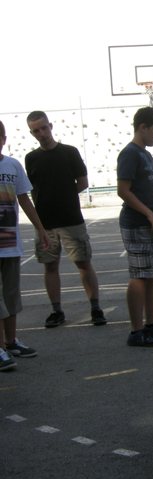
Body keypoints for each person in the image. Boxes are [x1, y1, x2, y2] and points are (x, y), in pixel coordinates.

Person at [24, 110, 107, 329]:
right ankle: (56, 311)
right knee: (50, 266)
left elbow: (82, 182)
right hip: (45, 224)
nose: (42, 133)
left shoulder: (69, 152)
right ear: (32, 133)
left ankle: (95, 308)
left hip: (71, 220)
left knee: (83, 263)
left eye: (44, 128)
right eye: (36, 131)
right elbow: (31, 188)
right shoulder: (31, 158)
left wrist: (65, 197)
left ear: (50, 126)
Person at [117, 107, 153, 347]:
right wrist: (148, 213)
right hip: (137, 223)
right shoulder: (129, 154)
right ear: (142, 127)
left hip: (151, 222)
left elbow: (151, 190)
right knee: (139, 276)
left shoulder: (145, 155)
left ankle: (152, 322)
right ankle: (137, 331)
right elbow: (123, 190)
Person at [0, 120, 49, 371]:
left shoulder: (12, 165)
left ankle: (11, 341)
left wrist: (40, 228)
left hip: (10, 244)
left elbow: (24, 199)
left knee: (11, 296)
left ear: (4, 139)